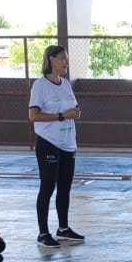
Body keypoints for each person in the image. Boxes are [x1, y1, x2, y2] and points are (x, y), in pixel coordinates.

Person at [28, 43, 84, 249]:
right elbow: (33, 116)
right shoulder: (40, 86)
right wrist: (61, 115)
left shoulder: (66, 84)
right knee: (48, 186)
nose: (66, 62)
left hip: (67, 143)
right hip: (48, 142)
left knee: (64, 187)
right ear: (52, 59)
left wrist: (75, 113)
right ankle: (43, 233)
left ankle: (63, 229)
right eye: (63, 58)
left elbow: (72, 107)